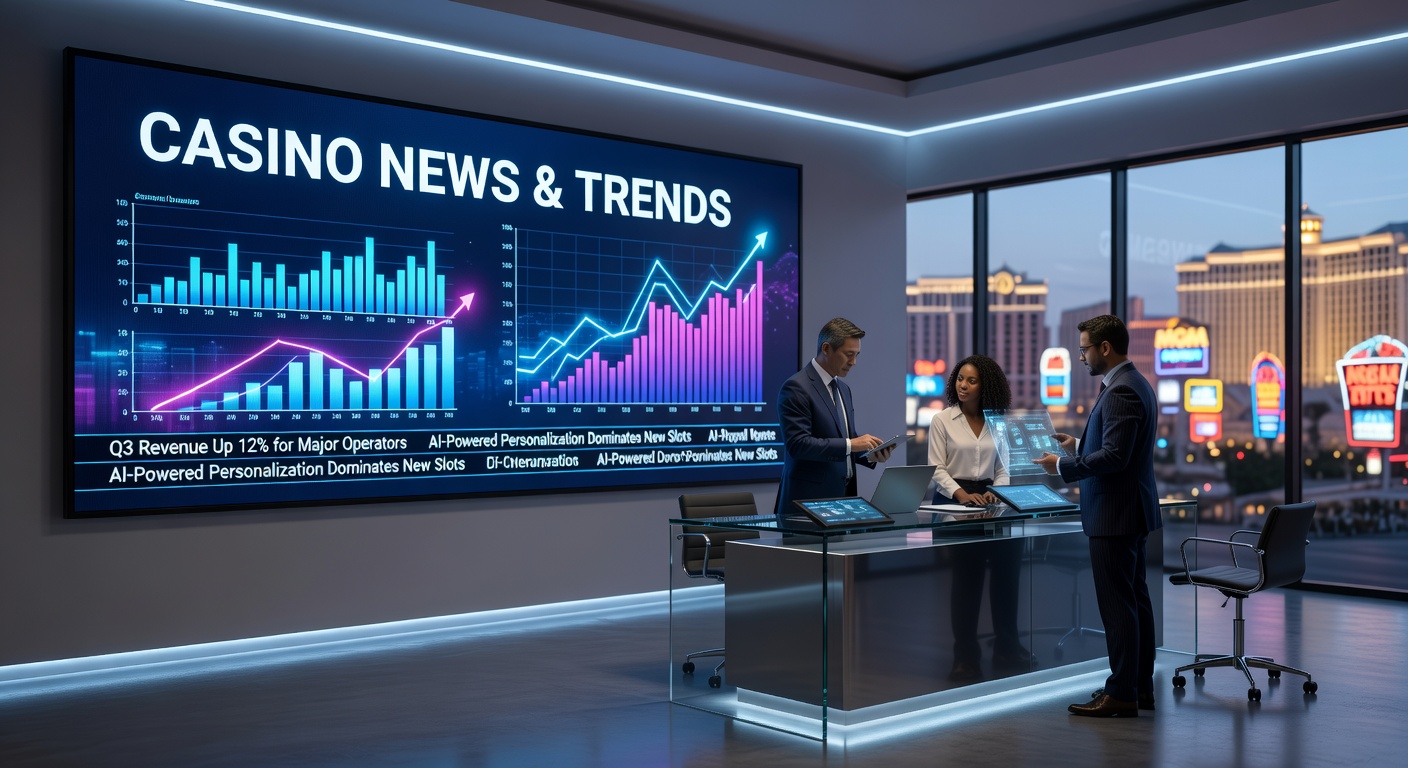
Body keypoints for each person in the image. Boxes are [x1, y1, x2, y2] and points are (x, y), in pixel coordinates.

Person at [1034, 314, 1160, 718]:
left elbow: (1115, 457)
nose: (1083, 356)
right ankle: (1138, 687)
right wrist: (1079, 444)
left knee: (1118, 607)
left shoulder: (1121, 390)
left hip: (1114, 514)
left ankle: (1121, 692)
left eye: (1085, 348)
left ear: (1105, 348)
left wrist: (1062, 466)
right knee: (1135, 603)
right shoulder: (1135, 383)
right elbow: (1114, 447)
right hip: (1131, 511)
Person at [928, 355, 1028, 682]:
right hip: (954, 502)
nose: (963, 386)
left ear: (987, 386)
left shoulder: (998, 421)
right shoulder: (942, 420)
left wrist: (994, 495)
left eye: (971, 381)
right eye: (960, 379)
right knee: (967, 581)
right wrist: (962, 495)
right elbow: (937, 469)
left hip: (992, 501)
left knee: (1007, 575)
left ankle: (1007, 648)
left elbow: (1003, 469)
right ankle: (965, 658)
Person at [775, 317, 894, 514]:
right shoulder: (796, 387)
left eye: (857, 355)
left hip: (843, 502)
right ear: (826, 348)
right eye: (849, 355)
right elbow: (798, 445)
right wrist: (852, 444)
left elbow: (845, 440)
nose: (854, 362)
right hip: (806, 506)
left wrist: (871, 455)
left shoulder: (843, 389)